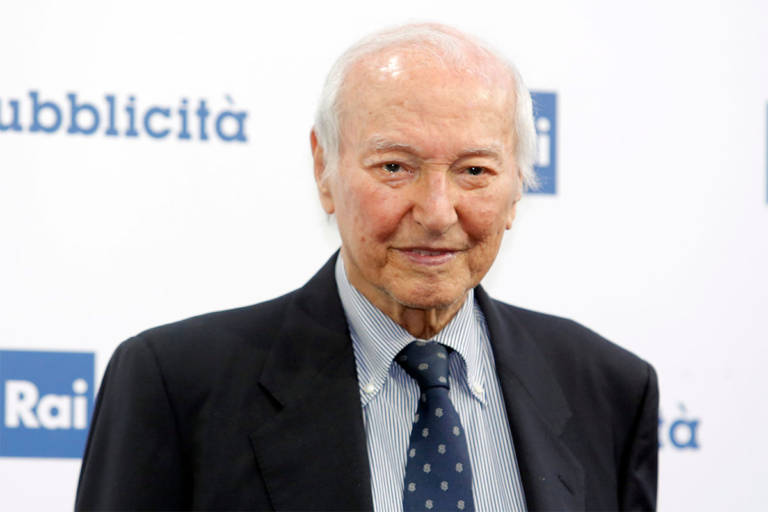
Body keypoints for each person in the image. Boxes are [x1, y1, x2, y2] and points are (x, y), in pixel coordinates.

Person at [75, 23, 658, 512]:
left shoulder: (610, 391)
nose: (436, 213)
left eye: (474, 171)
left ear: (517, 188)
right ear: (324, 170)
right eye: (395, 167)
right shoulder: (175, 385)